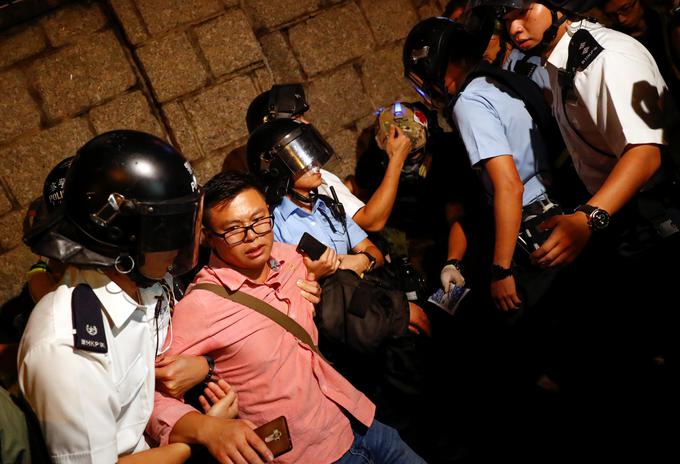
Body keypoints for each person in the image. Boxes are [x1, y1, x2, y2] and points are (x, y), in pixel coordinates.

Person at [488, 0, 680, 459]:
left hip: (659, 211)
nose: (515, 27)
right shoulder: (559, 61)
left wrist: (588, 218)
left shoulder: (607, 57)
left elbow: (644, 152)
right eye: (505, 19)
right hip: (624, 216)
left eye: (523, 10)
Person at [147, 170, 426, 464]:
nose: (252, 236)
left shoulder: (292, 257)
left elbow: (329, 274)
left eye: (259, 220)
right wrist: (207, 429)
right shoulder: (201, 305)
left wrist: (323, 280)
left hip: (359, 420)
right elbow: (151, 397)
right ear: (208, 238)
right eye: (233, 229)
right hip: (310, 454)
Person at [17, 130, 213, 463]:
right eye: (166, 230)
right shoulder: (68, 351)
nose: (178, 244)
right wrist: (195, 443)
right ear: (120, 238)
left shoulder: (138, 291)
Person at [246, 84, 413, 232]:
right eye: (296, 119)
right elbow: (371, 221)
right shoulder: (304, 179)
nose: (306, 123)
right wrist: (397, 159)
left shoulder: (301, 174)